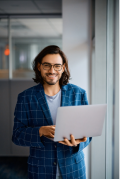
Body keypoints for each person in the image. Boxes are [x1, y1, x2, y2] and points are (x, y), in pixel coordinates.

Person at [12, 45, 92, 179]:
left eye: (57, 66)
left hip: (74, 169)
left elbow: (88, 132)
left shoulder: (79, 94)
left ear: (63, 67)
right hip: (40, 170)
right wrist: (40, 131)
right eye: (47, 65)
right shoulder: (25, 97)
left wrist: (78, 142)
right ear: (39, 66)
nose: (52, 70)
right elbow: (17, 135)